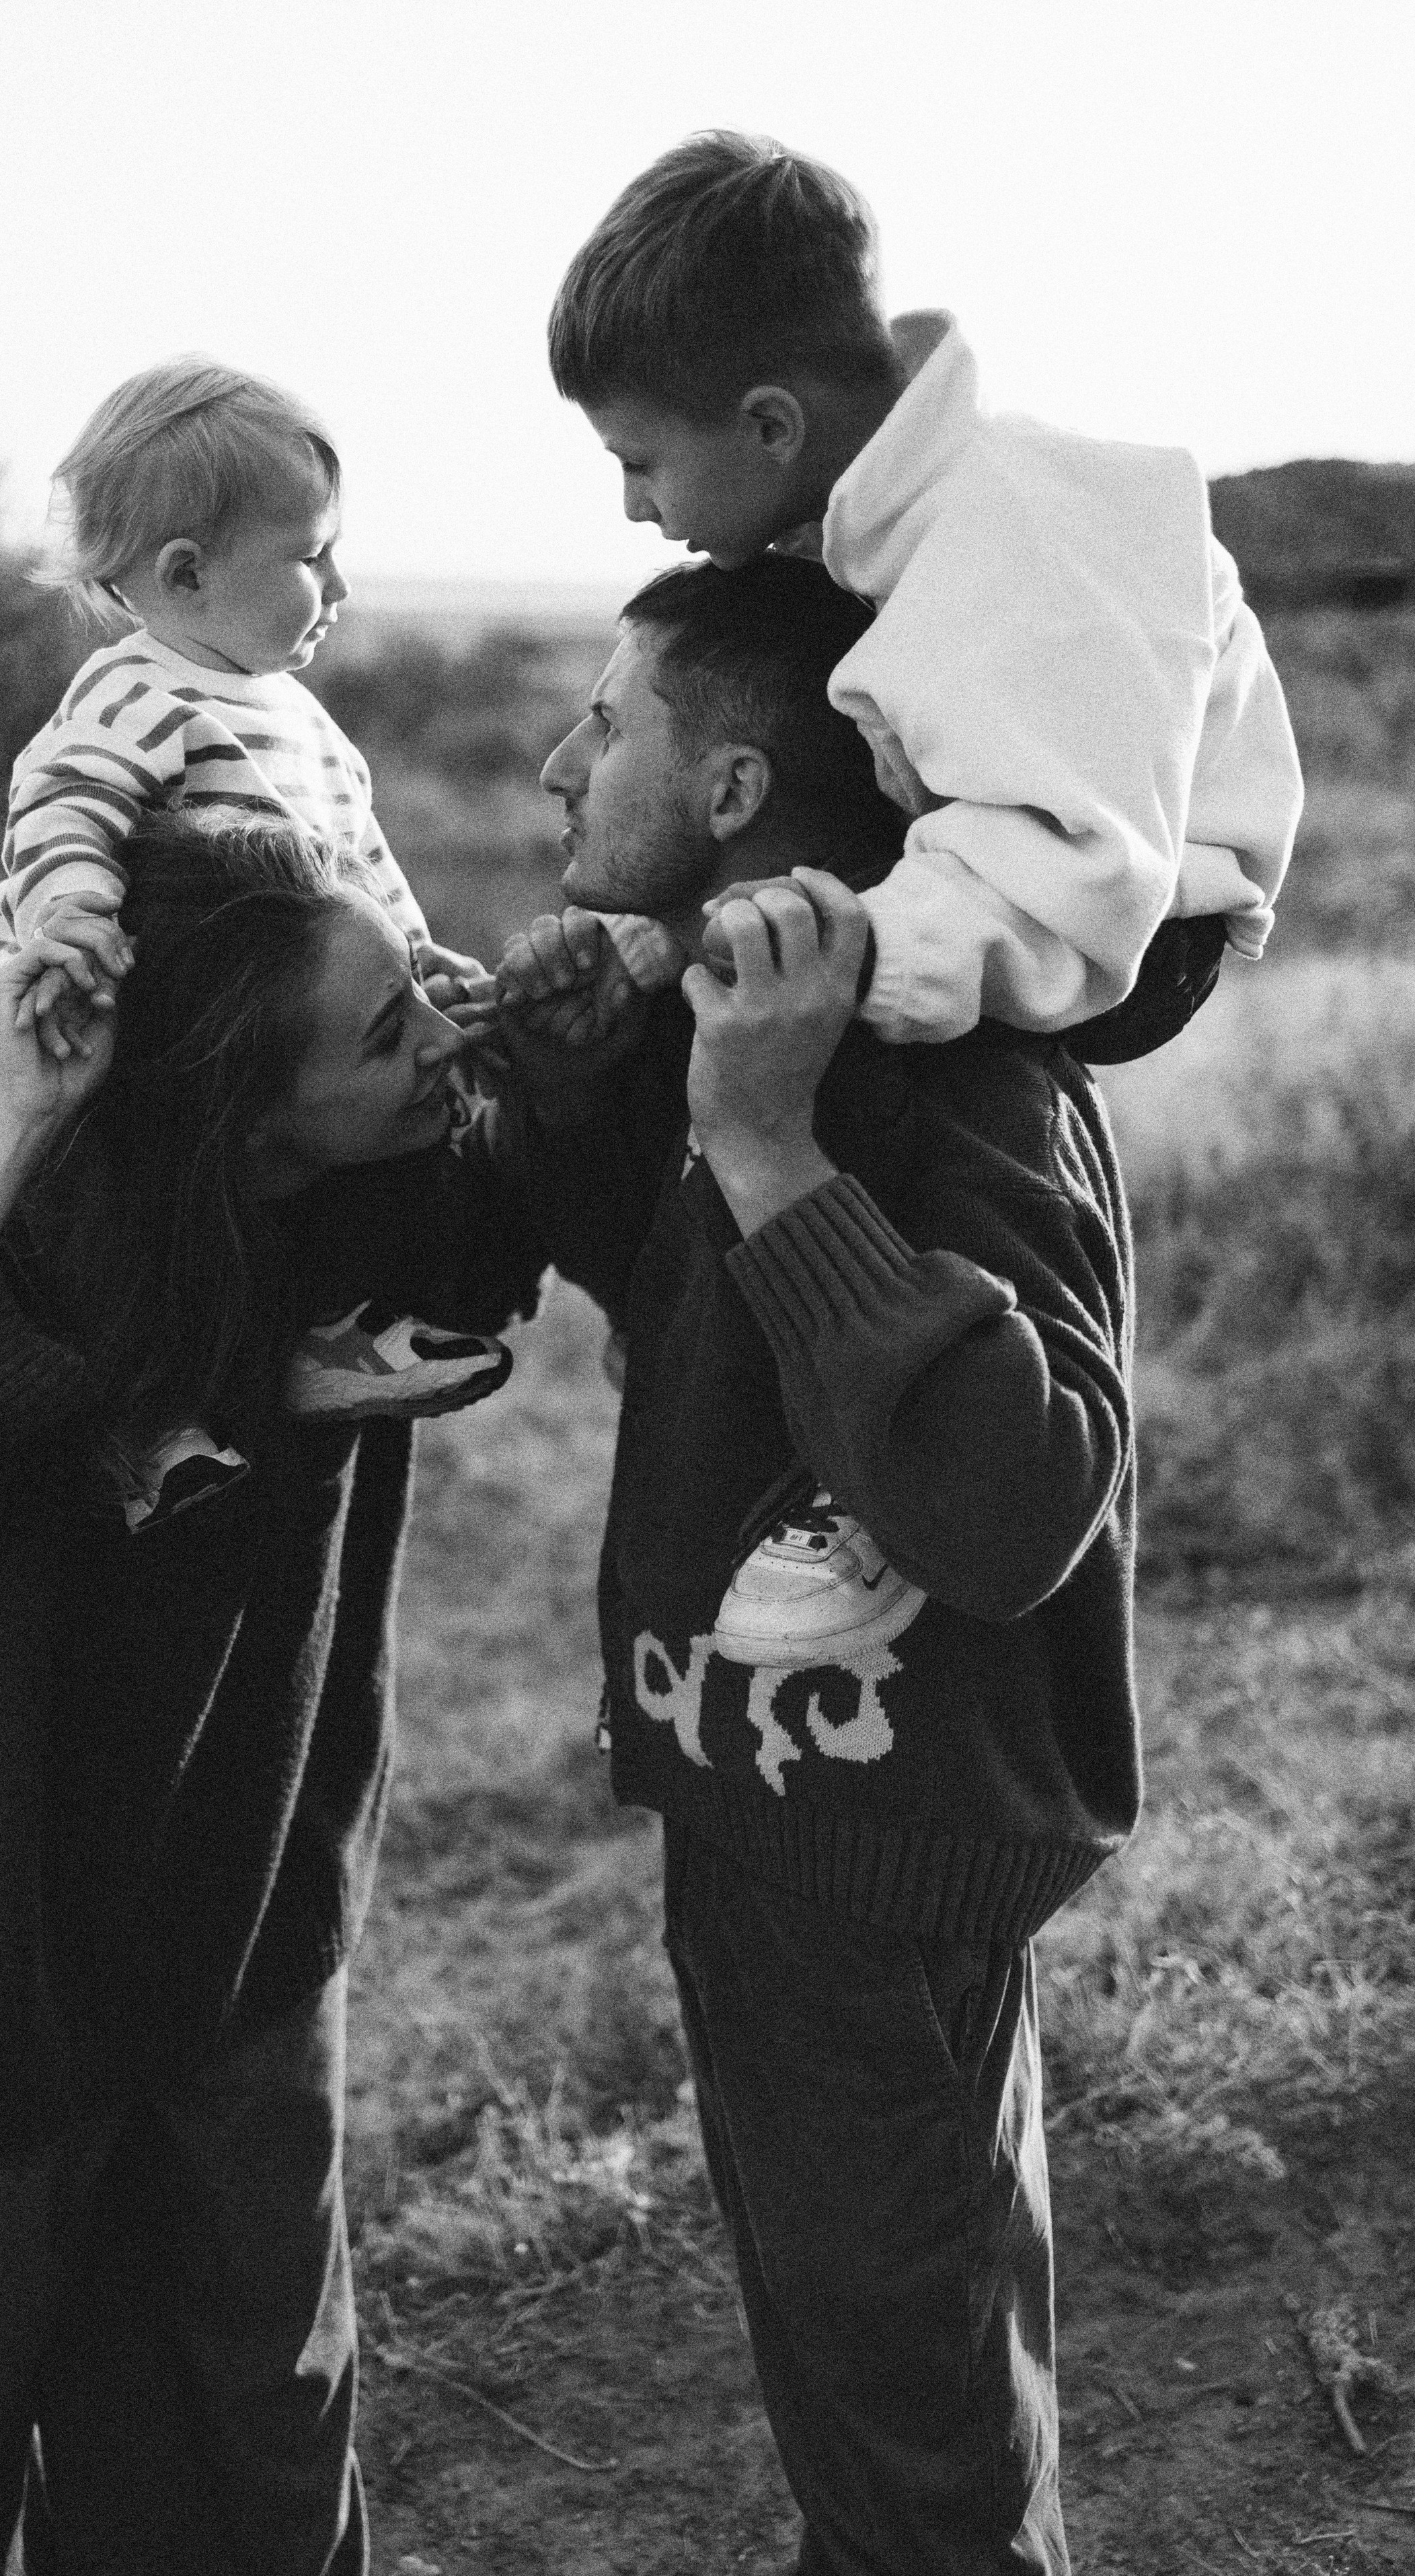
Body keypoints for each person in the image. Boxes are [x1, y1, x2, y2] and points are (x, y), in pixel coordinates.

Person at [0, 812, 545, 2576]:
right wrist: (12, 1125)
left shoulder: (380, 1218)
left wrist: (527, 1019)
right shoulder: (42, 1277)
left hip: (247, 1948)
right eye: (389, 1030)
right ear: (244, 1125)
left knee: (246, 2463)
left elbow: (528, 1207)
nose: (433, 1041)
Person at [495, 556, 1139, 2573]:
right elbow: (694, 1310)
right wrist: (586, 1068)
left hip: (877, 1852)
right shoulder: (763, 1030)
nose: (553, 761)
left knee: (914, 2418)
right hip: (793, 1825)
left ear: (737, 787)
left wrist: (772, 1151)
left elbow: (1020, 1503)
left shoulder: (950, 1084)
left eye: (608, 722)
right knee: (891, 2360)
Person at [545, 129, 1304, 1048]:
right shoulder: (872, 518)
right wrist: (662, 929)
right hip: (973, 855)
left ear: (771, 426)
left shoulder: (1027, 542)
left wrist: (842, 954)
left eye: (641, 463)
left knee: (803, 1040)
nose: (634, 507)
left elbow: (1086, 870)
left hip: (1134, 921)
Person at [0, 355, 504, 1421]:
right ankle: (134, 1418)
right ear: (184, 577)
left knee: (346, 1173)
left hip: (258, 1032)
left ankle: (319, 1334)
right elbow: (64, 801)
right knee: (122, 1235)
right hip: (105, 1016)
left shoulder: (300, 719)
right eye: (314, 555)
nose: (342, 589)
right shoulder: (136, 693)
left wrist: (413, 966)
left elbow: (355, 866)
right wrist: (72, 909)